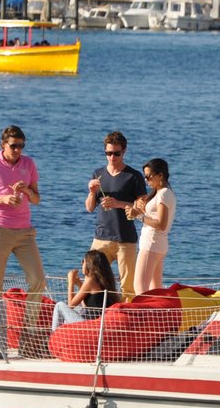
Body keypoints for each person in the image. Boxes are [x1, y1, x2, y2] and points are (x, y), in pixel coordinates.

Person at [0, 125, 47, 301]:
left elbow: (36, 200)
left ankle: (29, 325)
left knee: (38, 280)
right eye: (13, 146)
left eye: (21, 146)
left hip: (24, 231)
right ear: (3, 145)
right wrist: (3, 199)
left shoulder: (28, 164)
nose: (17, 150)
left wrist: (26, 190)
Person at [85, 131, 147, 299]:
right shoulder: (98, 174)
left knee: (128, 287)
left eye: (116, 153)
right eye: (108, 153)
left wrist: (118, 204)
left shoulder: (134, 176)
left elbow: (142, 207)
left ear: (124, 151)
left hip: (125, 240)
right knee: (91, 279)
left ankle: (125, 321)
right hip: (101, 237)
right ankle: (93, 318)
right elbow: (90, 208)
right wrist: (91, 192)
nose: (112, 157)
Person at [130, 158, 175, 295]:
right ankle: (157, 316)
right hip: (158, 245)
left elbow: (161, 224)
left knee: (140, 287)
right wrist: (141, 211)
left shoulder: (163, 194)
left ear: (160, 176)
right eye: (145, 177)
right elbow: (156, 218)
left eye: (149, 177)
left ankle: (144, 315)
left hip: (152, 244)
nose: (146, 180)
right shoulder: (164, 193)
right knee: (155, 290)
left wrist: (138, 215)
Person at [51, 250, 118, 330]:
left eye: (83, 261)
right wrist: (79, 283)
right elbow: (87, 305)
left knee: (59, 306)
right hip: (99, 323)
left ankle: (53, 336)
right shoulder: (104, 280)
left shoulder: (91, 280)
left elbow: (70, 305)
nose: (82, 263)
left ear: (89, 264)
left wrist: (70, 282)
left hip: (92, 325)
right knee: (78, 309)